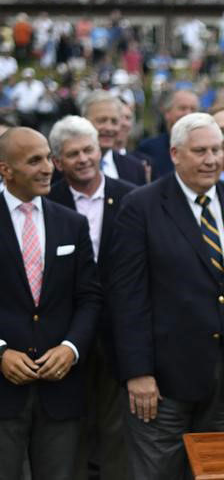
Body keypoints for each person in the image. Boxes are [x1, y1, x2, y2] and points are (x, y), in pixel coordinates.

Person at [109, 113, 224, 479]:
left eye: (216, 151)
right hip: (162, 383)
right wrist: (138, 372)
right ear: (174, 153)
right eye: (200, 151)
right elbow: (127, 298)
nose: (211, 160)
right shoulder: (140, 207)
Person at [0, 127, 102, 480]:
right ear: (5, 170)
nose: (48, 167)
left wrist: (71, 348)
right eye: (34, 160)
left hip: (61, 388)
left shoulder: (71, 223)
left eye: (47, 157)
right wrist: (0, 352)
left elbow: (89, 297)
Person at [47, 115, 136, 480]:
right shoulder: (46, 199)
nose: (83, 159)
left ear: (101, 149)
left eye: (89, 149)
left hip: (119, 329)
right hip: (63, 332)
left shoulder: (131, 195)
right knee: (70, 424)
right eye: (72, 154)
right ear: (57, 162)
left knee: (117, 426)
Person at [81, 90, 146, 186]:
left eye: (114, 122)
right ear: (84, 121)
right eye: (101, 121)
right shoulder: (69, 167)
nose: (108, 128)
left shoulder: (135, 168)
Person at [136, 89, 200, 179]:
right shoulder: (148, 148)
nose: (188, 114)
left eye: (193, 109)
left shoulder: (206, 148)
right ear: (167, 113)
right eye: (182, 108)